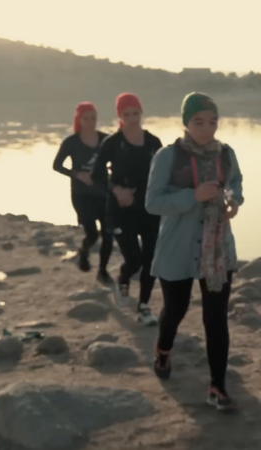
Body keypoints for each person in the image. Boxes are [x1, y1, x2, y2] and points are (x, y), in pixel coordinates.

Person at [145, 92, 243, 411]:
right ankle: (163, 348)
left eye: (212, 122)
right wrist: (193, 196)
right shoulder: (167, 156)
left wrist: (233, 201)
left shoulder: (226, 153)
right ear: (186, 123)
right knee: (176, 309)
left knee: (216, 319)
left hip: (218, 248)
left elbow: (236, 184)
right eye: (199, 122)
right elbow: (153, 202)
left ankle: (217, 386)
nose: (207, 129)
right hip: (178, 249)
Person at [91, 93, 163, 326]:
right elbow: (96, 176)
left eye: (136, 113)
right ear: (120, 116)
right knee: (134, 260)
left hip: (150, 211)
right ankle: (123, 278)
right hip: (121, 212)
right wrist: (116, 191)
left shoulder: (153, 143)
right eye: (127, 114)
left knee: (151, 260)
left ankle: (143, 307)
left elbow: (164, 176)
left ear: (141, 114)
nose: (132, 118)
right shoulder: (112, 143)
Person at [52, 102, 114, 285]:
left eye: (93, 118)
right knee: (92, 234)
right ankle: (84, 251)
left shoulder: (107, 140)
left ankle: (103, 271)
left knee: (108, 233)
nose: (91, 122)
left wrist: (111, 173)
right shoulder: (71, 142)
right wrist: (77, 174)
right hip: (81, 195)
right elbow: (56, 166)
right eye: (86, 118)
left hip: (103, 193)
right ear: (79, 119)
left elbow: (118, 162)